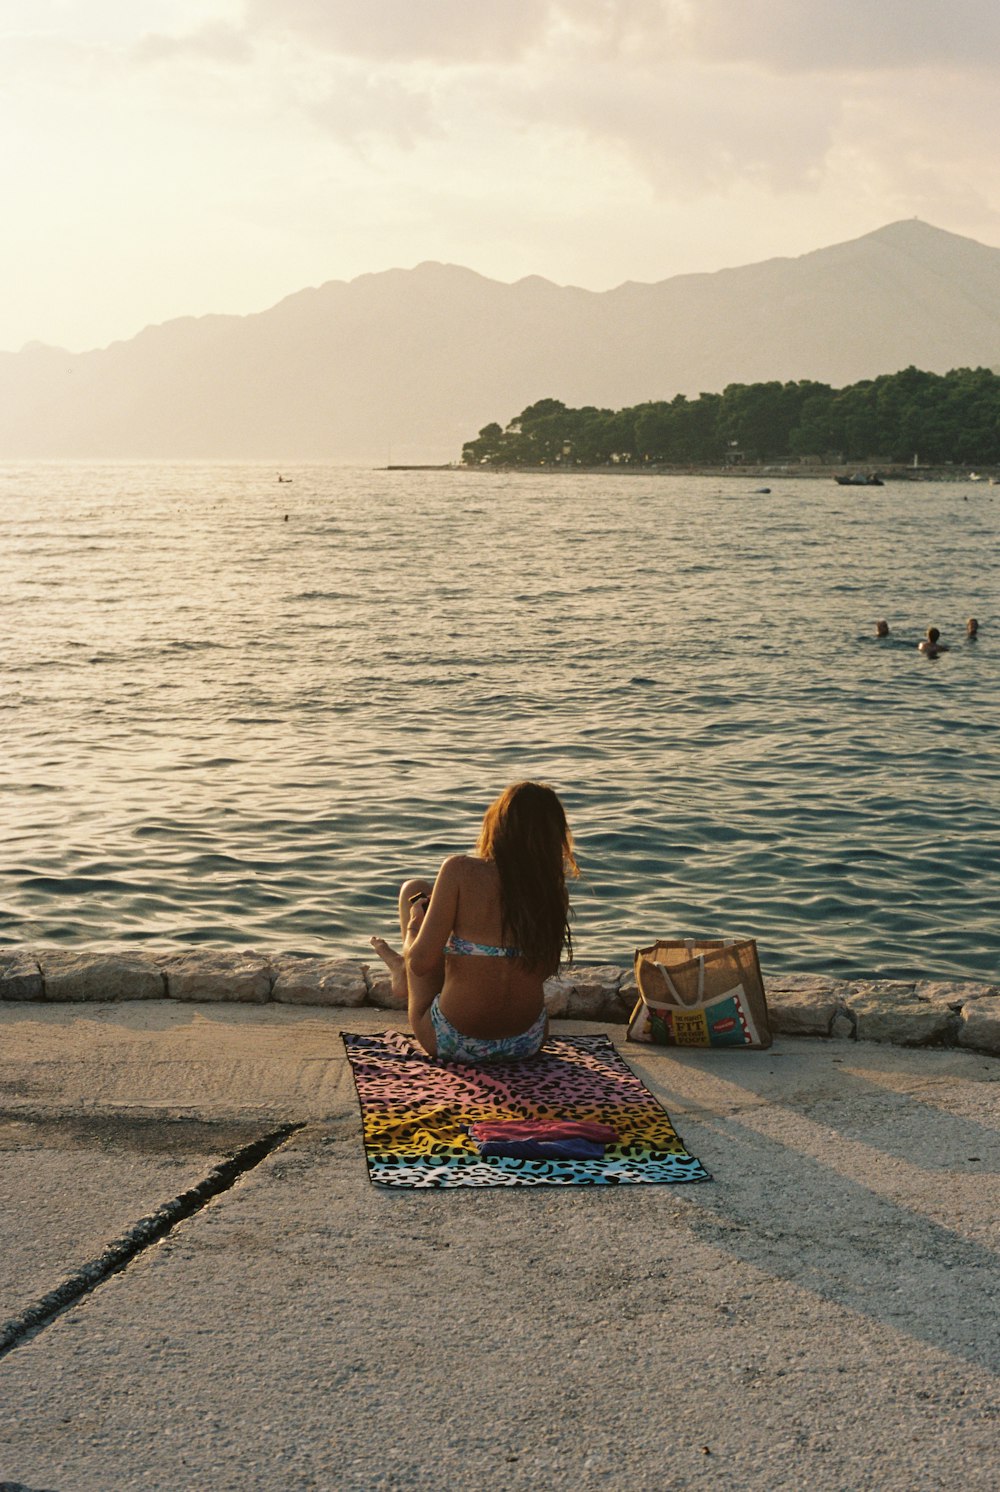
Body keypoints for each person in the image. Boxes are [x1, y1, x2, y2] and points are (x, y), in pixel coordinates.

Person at [369, 782, 578, 1064]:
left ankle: (399, 972)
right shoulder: (554, 891)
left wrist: (414, 930)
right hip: (527, 1040)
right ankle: (408, 968)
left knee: (413, 890)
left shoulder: (459, 870)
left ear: (498, 824)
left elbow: (420, 964)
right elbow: (542, 971)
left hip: (453, 1041)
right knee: (472, 953)